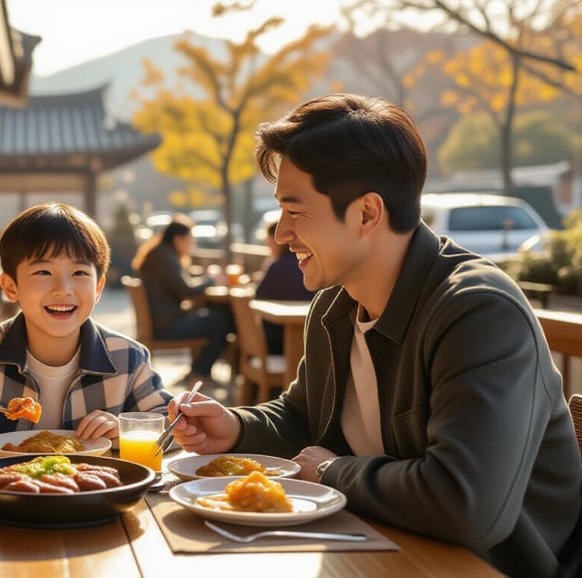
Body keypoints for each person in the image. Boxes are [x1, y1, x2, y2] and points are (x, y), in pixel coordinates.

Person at [168, 94, 581, 578]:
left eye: (295, 211)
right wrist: (236, 427)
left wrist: (329, 472)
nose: (281, 234)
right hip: (375, 548)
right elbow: (305, 416)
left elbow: (466, 506)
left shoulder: (479, 311)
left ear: (366, 214)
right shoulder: (335, 305)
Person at [0, 202, 172, 451]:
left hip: (89, 497)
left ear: (98, 287)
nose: (62, 289)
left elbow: (172, 427)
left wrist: (126, 432)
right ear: (10, 287)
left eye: (79, 273)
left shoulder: (127, 357)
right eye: (43, 272)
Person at [131, 214, 234, 387]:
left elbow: (180, 283)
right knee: (222, 320)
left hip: (162, 322)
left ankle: (197, 371)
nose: (192, 246)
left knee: (218, 317)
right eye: (190, 241)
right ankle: (200, 373)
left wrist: (203, 278)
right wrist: (212, 279)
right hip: (167, 326)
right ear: (179, 239)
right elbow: (186, 289)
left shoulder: (159, 253)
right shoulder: (165, 257)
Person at [254, 219, 316, 355]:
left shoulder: (276, 267)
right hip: (311, 339)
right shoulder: (309, 265)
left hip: (278, 343)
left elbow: (257, 296)